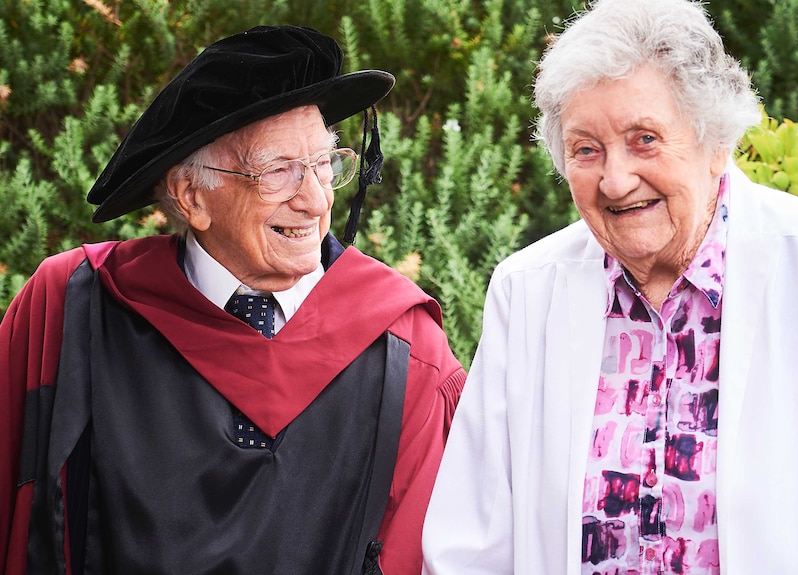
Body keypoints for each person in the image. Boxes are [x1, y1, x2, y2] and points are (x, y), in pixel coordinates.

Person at [0, 25, 466, 575]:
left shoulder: (406, 348)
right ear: (192, 196)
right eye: (278, 172)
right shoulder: (73, 309)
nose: (316, 201)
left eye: (324, 164)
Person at [421, 0, 798, 573]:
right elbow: (470, 543)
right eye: (586, 149)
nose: (616, 179)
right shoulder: (527, 291)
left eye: (644, 139)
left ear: (716, 142)